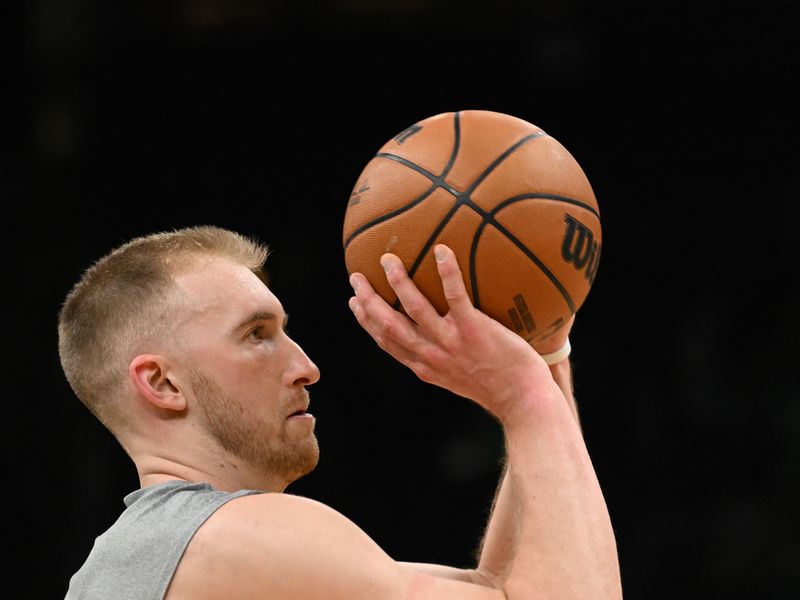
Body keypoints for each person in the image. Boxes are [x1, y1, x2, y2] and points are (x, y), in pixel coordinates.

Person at [59, 225, 622, 599]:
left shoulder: (146, 559)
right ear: (161, 382)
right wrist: (526, 397)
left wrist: (546, 359)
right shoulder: (233, 536)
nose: (306, 366)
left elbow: (499, 587)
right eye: (257, 335)